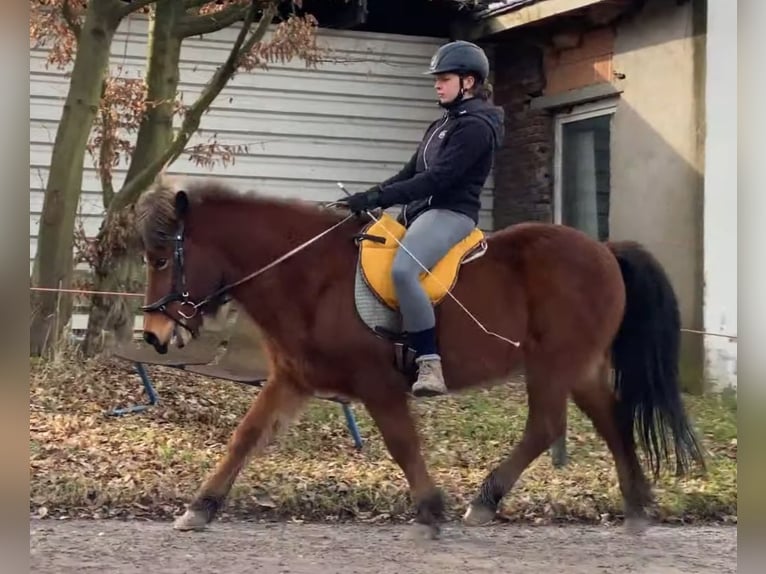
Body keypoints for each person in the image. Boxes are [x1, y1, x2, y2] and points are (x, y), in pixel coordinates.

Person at [337, 40, 505, 397]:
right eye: (437, 79)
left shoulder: (476, 127)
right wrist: (369, 196)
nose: (437, 85)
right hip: (420, 212)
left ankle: (429, 363)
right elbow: (409, 173)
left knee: (402, 270)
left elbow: (438, 180)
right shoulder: (441, 125)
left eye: (443, 79)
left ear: (469, 82)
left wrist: (382, 198)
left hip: (450, 213)